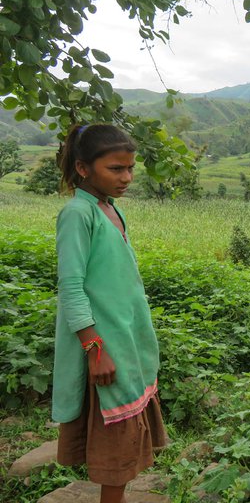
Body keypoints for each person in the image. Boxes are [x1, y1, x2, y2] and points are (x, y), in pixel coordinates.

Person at [53, 123, 167, 503]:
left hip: (123, 336)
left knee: (124, 442)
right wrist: (94, 349)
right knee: (115, 448)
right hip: (103, 344)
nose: (127, 178)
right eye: (116, 169)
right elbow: (71, 286)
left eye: (131, 168)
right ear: (84, 168)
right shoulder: (77, 214)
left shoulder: (108, 208)